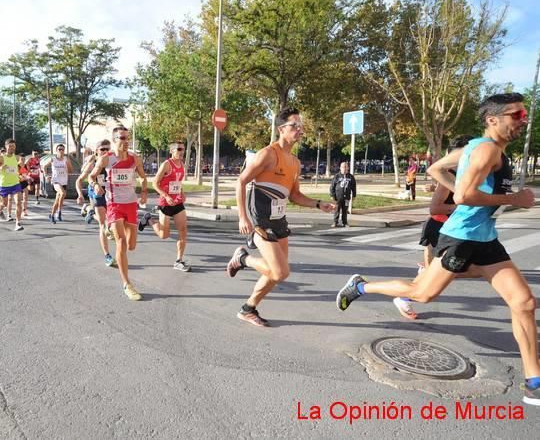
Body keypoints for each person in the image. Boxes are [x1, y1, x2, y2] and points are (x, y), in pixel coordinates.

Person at [336, 93, 540, 406]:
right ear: (493, 120)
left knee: (524, 302)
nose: (522, 121)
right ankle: (360, 286)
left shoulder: (474, 148)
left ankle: (533, 382)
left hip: (485, 238)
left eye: (524, 114)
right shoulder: (485, 150)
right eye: (516, 115)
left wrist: (470, 189)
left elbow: (435, 170)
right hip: (461, 238)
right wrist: (513, 199)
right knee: (422, 293)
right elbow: (464, 197)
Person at [226, 108, 336, 327]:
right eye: (294, 125)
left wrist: (317, 204)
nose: (300, 129)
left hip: (279, 219)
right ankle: (243, 259)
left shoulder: (294, 162)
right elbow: (241, 182)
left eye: (301, 126)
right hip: (260, 218)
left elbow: (294, 195)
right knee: (280, 271)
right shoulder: (267, 154)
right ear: (281, 129)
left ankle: (248, 309)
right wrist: (242, 217)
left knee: (277, 273)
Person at [393, 134, 475, 320]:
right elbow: (435, 208)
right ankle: (402, 295)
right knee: (447, 274)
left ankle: (412, 288)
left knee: (465, 270)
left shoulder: (461, 175)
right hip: (439, 227)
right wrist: (462, 206)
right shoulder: (451, 175)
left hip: (454, 230)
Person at [88, 126, 148, 301]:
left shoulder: (134, 158)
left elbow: (143, 177)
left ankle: (108, 227)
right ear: (114, 140)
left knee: (131, 245)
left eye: (127, 138)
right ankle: (127, 284)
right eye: (122, 138)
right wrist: (96, 185)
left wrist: (144, 192)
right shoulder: (107, 159)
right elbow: (91, 176)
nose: (126, 141)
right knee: (121, 243)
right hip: (114, 204)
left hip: (131, 204)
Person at [138, 141, 191, 272]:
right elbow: (155, 183)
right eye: (179, 149)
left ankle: (179, 260)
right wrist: (166, 196)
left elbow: (178, 182)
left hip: (178, 202)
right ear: (172, 151)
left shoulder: (182, 165)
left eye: (183, 149)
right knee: (164, 235)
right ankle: (149, 220)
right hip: (165, 203)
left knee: (183, 231)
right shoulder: (166, 164)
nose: (181, 151)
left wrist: (182, 193)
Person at [77, 140, 115, 267]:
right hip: (96, 194)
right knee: (102, 225)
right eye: (102, 149)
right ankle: (107, 255)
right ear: (97, 151)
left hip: (110, 194)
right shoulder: (92, 165)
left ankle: (88, 210)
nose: (105, 152)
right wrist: (80, 194)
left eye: (107, 149)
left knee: (111, 222)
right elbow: (79, 180)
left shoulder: (112, 163)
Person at [0, 139, 25, 231]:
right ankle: (0, 208)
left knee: (18, 202)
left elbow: (18, 169)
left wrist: (21, 174)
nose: (12, 148)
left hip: (15, 183)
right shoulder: (1, 158)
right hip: (4, 184)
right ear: (6, 147)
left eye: (13, 146)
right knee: (4, 203)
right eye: (10, 146)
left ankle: (18, 223)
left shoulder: (17, 157)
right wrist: (0, 167)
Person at [41, 144, 73, 223]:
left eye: (62, 149)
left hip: (64, 181)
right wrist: (46, 175)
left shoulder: (66, 159)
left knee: (58, 198)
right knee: (62, 193)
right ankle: (59, 212)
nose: (61, 151)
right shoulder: (53, 159)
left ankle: (52, 214)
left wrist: (67, 166)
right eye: (59, 149)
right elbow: (44, 166)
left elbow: (71, 170)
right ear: (56, 151)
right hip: (55, 181)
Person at [329, 161, 356, 228]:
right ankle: (335, 222)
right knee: (337, 210)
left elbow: (353, 187)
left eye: (346, 167)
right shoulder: (337, 176)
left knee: (345, 210)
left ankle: (345, 222)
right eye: (343, 167)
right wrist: (332, 195)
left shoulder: (351, 177)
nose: (344, 168)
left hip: (346, 197)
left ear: (348, 168)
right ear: (340, 168)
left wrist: (354, 195)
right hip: (338, 197)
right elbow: (332, 186)